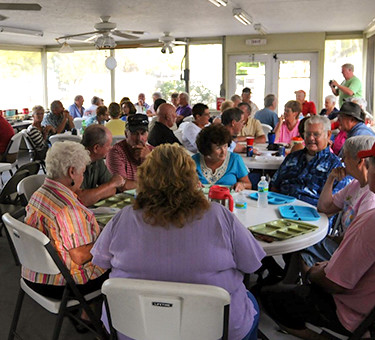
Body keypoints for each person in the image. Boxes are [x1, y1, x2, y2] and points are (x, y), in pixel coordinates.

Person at [91, 143, 265, 340]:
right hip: (214, 330)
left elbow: (101, 262)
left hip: (132, 329)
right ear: (192, 178)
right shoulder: (219, 216)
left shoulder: (123, 218)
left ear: (145, 179)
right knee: (251, 304)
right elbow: (251, 264)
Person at [260, 141, 375, 339]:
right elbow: (326, 207)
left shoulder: (370, 219)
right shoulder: (358, 192)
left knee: (267, 299)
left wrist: (313, 273)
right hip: (363, 302)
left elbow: (335, 283)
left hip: (350, 312)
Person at [23, 141, 108, 302]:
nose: (83, 177)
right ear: (72, 172)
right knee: (123, 264)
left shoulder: (38, 194)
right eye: (82, 173)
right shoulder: (68, 209)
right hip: (61, 283)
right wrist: (109, 239)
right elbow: (80, 256)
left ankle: (86, 313)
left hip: (34, 272)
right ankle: (91, 316)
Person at [300, 135, 375, 268]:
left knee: (302, 240)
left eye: (345, 156)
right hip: (343, 244)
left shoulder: (371, 196)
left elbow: (358, 241)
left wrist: (331, 239)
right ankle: (291, 282)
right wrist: (331, 179)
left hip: (351, 253)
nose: (342, 160)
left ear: (360, 161)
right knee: (304, 248)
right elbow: (325, 208)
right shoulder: (355, 185)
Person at [270, 115, 350, 206]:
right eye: (308, 134)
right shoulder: (292, 158)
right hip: (281, 209)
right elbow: (274, 186)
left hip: (313, 216)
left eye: (316, 134)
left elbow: (334, 205)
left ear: (328, 135)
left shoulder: (335, 166)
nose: (311, 138)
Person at [77, 125, 125, 206]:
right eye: (108, 145)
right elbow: (80, 200)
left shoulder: (97, 160)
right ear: (96, 148)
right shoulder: (74, 161)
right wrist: (110, 185)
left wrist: (94, 194)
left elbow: (112, 190)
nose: (111, 148)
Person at [193, 124, 251, 191]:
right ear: (207, 149)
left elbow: (249, 185)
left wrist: (242, 185)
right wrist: (191, 184)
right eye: (218, 148)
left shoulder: (235, 159)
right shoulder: (193, 161)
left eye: (225, 146)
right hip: (201, 200)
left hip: (230, 200)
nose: (224, 151)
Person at [107, 114, 153, 190]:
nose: (139, 138)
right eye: (134, 133)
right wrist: (151, 185)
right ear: (126, 134)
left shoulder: (153, 152)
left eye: (143, 133)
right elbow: (123, 186)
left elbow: (163, 180)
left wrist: (149, 158)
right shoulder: (116, 152)